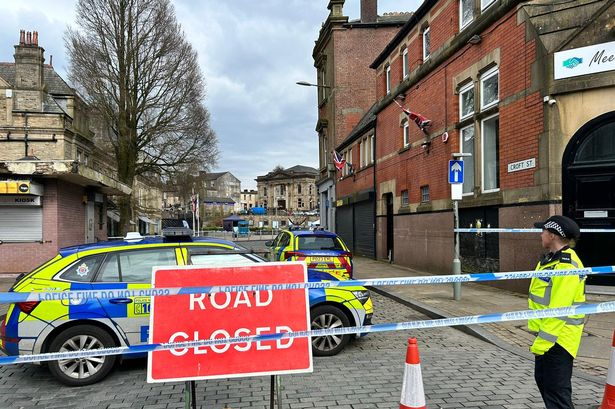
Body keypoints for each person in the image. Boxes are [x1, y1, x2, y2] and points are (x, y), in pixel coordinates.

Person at [530, 215, 586, 409]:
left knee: (557, 396)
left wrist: (542, 343)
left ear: (553, 235)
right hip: (548, 337)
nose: (541, 234)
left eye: (543, 231)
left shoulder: (566, 265)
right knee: (547, 387)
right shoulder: (549, 260)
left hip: (558, 340)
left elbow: (558, 309)